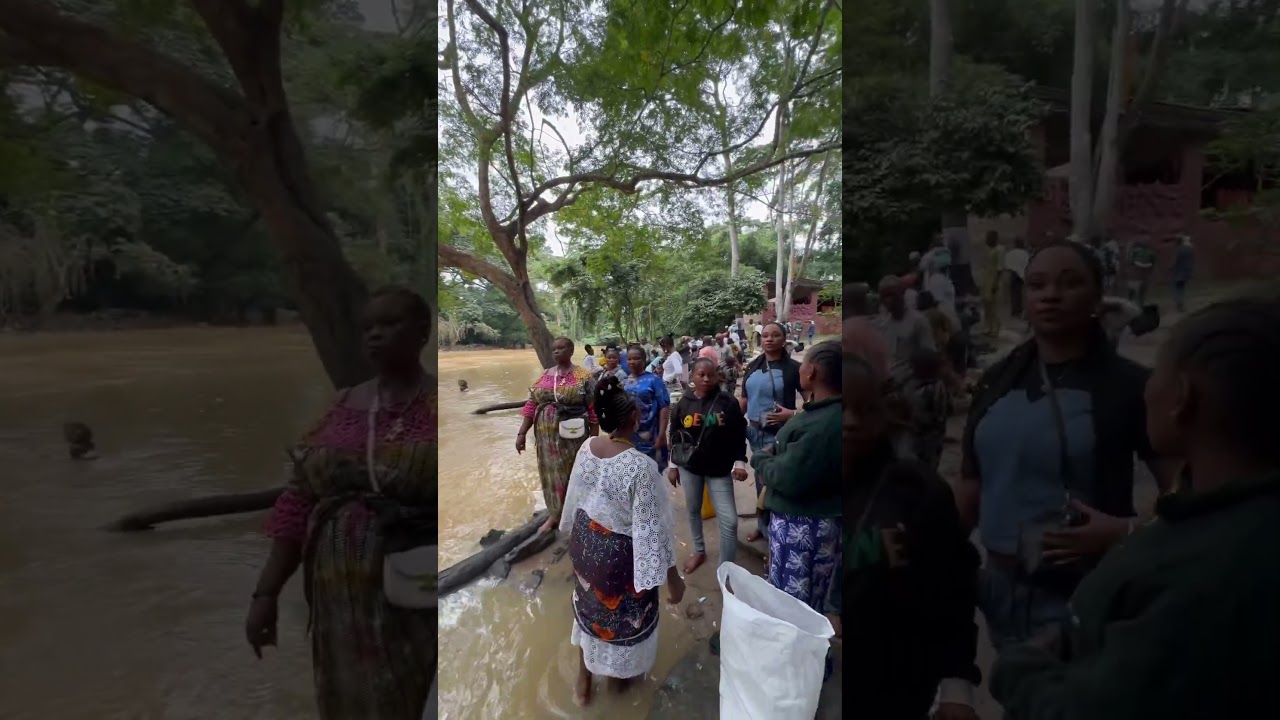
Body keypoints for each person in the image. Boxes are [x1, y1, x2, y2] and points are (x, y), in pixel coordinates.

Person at [990, 296, 1280, 720]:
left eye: (1157, 372)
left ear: (1181, 397)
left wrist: (1021, 670)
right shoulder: (1232, 521)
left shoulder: (1196, 576)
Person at [955, 241, 1175, 653]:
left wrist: (1125, 531)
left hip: (1086, 593)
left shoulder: (1129, 387)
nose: (1050, 294)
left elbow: (1188, 486)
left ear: (1096, 298)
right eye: (1037, 285)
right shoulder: (997, 381)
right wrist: (942, 557)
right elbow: (971, 481)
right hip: (1000, 590)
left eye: (1069, 283)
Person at [249, 286, 435, 719]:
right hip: (339, 599)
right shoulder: (341, 406)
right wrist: (266, 593)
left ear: (422, 332)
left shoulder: (434, 406)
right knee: (351, 695)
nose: (375, 335)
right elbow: (299, 501)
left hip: (413, 582)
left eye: (390, 324)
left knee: (414, 689)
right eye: (368, 327)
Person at [842, 351, 980, 720]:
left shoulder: (919, 491)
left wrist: (956, 688)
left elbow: (953, 590)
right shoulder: (803, 488)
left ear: (883, 413)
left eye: (865, 409)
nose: (851, 422)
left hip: (897, 686)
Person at [560, 376, 683, 707]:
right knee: (622, 627)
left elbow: (576, 498)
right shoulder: (642, 467)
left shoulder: (587, 447)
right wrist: (674, 582)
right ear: (634, 419)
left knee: (589, 612)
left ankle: (583, 684)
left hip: (586, 546)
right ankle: (618, 692)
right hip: (619, 560)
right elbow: (654, 533)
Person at [751, 341, 842, 611]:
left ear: (811, 372)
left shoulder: (822, 424)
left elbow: (788, 478)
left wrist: (761, 458)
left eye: (803, 364)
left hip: (803, 527)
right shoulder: (825, 412)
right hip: (816, 522)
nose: (799, 368)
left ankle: (802, 652)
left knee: (794, 605)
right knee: (809, 595)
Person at [667, 358, 750, 573]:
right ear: (692, 376)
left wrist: (740, 462)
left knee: (730, 521)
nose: (706, 379)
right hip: (690, 468)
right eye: (700, 374)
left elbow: (739, 433)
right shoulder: (683, 404)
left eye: (710, 375)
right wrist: (673, 466)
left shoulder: (727, 402)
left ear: (717, 376)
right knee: (693, 509)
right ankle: (699, 550)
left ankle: (727, 569)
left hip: (719, 469)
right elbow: (675, 435)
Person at [516, 337, 598, 533]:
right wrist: (521, 433)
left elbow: (593, 410)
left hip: (573, 436)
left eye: (561, 348)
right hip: (546, 438)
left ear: (570, 351)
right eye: (554, 349)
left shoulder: (583, 377)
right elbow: (531, 404)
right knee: (551, 474)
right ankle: (555, 514)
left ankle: (579, 514)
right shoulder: (545, 376)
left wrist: (593, 441)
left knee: (575, 472)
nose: (556, 352)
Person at [740, 321, 803, 544]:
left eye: (775, 335)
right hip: (754, 432)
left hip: (778, 434)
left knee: (773, 483)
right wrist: (736, 421)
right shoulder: (753, 365)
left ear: (784, 340)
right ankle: (762, 525)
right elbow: (745, 400)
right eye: (765, 335)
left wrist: (792, 414)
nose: (768, 339)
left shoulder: (794, 369)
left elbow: (814, 400)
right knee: (760, 481)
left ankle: (776, 530)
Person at [875, 276, 936, 387]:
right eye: (884, 296)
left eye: (892, 295)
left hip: (912, 383)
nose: (888, 300)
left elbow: (929, 355)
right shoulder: (882, 324)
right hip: (888, 383)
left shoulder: (918, 321)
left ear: (902, 293)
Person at [903, 348, 952, 470]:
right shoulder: (937, 387)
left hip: (920, 434)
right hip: (929, 435)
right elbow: (946, 411)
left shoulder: (909, 383)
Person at [622, 345, 671, 467]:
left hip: (650, 435)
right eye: (629, 359)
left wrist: (661, 435)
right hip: (629, 436)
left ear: (644, 360)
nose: (632, 362)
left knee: (652, 471)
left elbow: (664, 407)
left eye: (636, 358)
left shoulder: (654, 380)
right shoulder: (624, 382)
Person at [981, 230, 1006, 340]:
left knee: (994, 306)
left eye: (988, 238)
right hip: (987, 280)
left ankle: (995, 329)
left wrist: (996, 283)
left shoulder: (1000, 250)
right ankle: (988, 328)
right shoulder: (988, 250)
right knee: (987, 306)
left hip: (994, 281)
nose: (986, 240)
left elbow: (1000, 268)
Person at [1126, 237, 1157, 306]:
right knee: (1142, 293)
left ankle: (1130, 304)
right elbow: (1153, 264)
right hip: (1145, 276)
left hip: (1134, 276)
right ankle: (1141, 305)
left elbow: (1130, 261)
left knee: (1132, 292)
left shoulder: (1135, 252)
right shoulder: (1152, 253)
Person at [1005, 237, 1029, 319]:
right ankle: (1021, 310)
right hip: (1022, 274)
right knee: (1022, 293)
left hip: (1013, 274)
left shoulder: (1011, 253)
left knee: (1014, 293)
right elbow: (1027, 263)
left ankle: (1015, 310)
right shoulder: (1024, 253)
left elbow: (1007, 265)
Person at [1171, 234, 1194, 313]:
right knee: (1182, 288)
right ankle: (1181, 304)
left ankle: (1180, 304)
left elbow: (1176, 261)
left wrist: (1171, 268)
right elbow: (1191, 261)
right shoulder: (1190, 249)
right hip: (1186, 271)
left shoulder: (1179, 250)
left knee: (1178, 288)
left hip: (1178, 272)